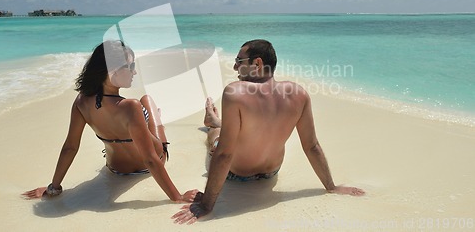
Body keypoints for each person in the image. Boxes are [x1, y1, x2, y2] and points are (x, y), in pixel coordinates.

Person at [172, 39, 365, 224]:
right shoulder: (299, 93)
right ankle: (216, 121)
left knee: (216, 139)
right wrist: (331, 187)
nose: (234, 68)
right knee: (238, 131)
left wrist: (207, 204)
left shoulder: (235, 92)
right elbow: (312, 146)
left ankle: (213, 124)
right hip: (272, 172)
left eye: (239, 61)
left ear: (257, 63)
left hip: (237, 174)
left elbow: (224, 154)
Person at [23, 40, 197, 203]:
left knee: (143, 114)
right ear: (111, 70)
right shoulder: (131, 106)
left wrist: (53, 188)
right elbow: (151, 159)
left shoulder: (81, 102)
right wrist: (177, 197)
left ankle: (151, 121)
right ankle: (156, 121)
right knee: (147, 100)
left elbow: (70, 147)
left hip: (116, 169)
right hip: (149, 162)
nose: (134, 72)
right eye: (130, 66)